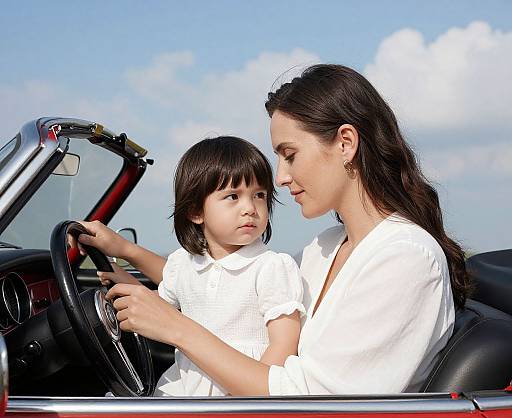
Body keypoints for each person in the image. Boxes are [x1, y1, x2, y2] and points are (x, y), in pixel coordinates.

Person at [101, 64, 470, 396]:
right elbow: (231, 288)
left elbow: (313, 400)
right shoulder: (325, 247)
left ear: (345, 143)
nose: (281, 177)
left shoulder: (404, 256)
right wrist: (121, 259)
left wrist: (177, 329)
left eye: (289, 155)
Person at [77, 136, 304, 396]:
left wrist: (254, 403)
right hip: (186, 388)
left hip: (241, 393)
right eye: (233, 196)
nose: (250, 208)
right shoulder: (187, 263)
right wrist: (123, 279)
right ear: (196, 212)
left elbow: (284, 346)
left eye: (259, 195)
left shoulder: (271, 267)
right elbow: (159, 307)